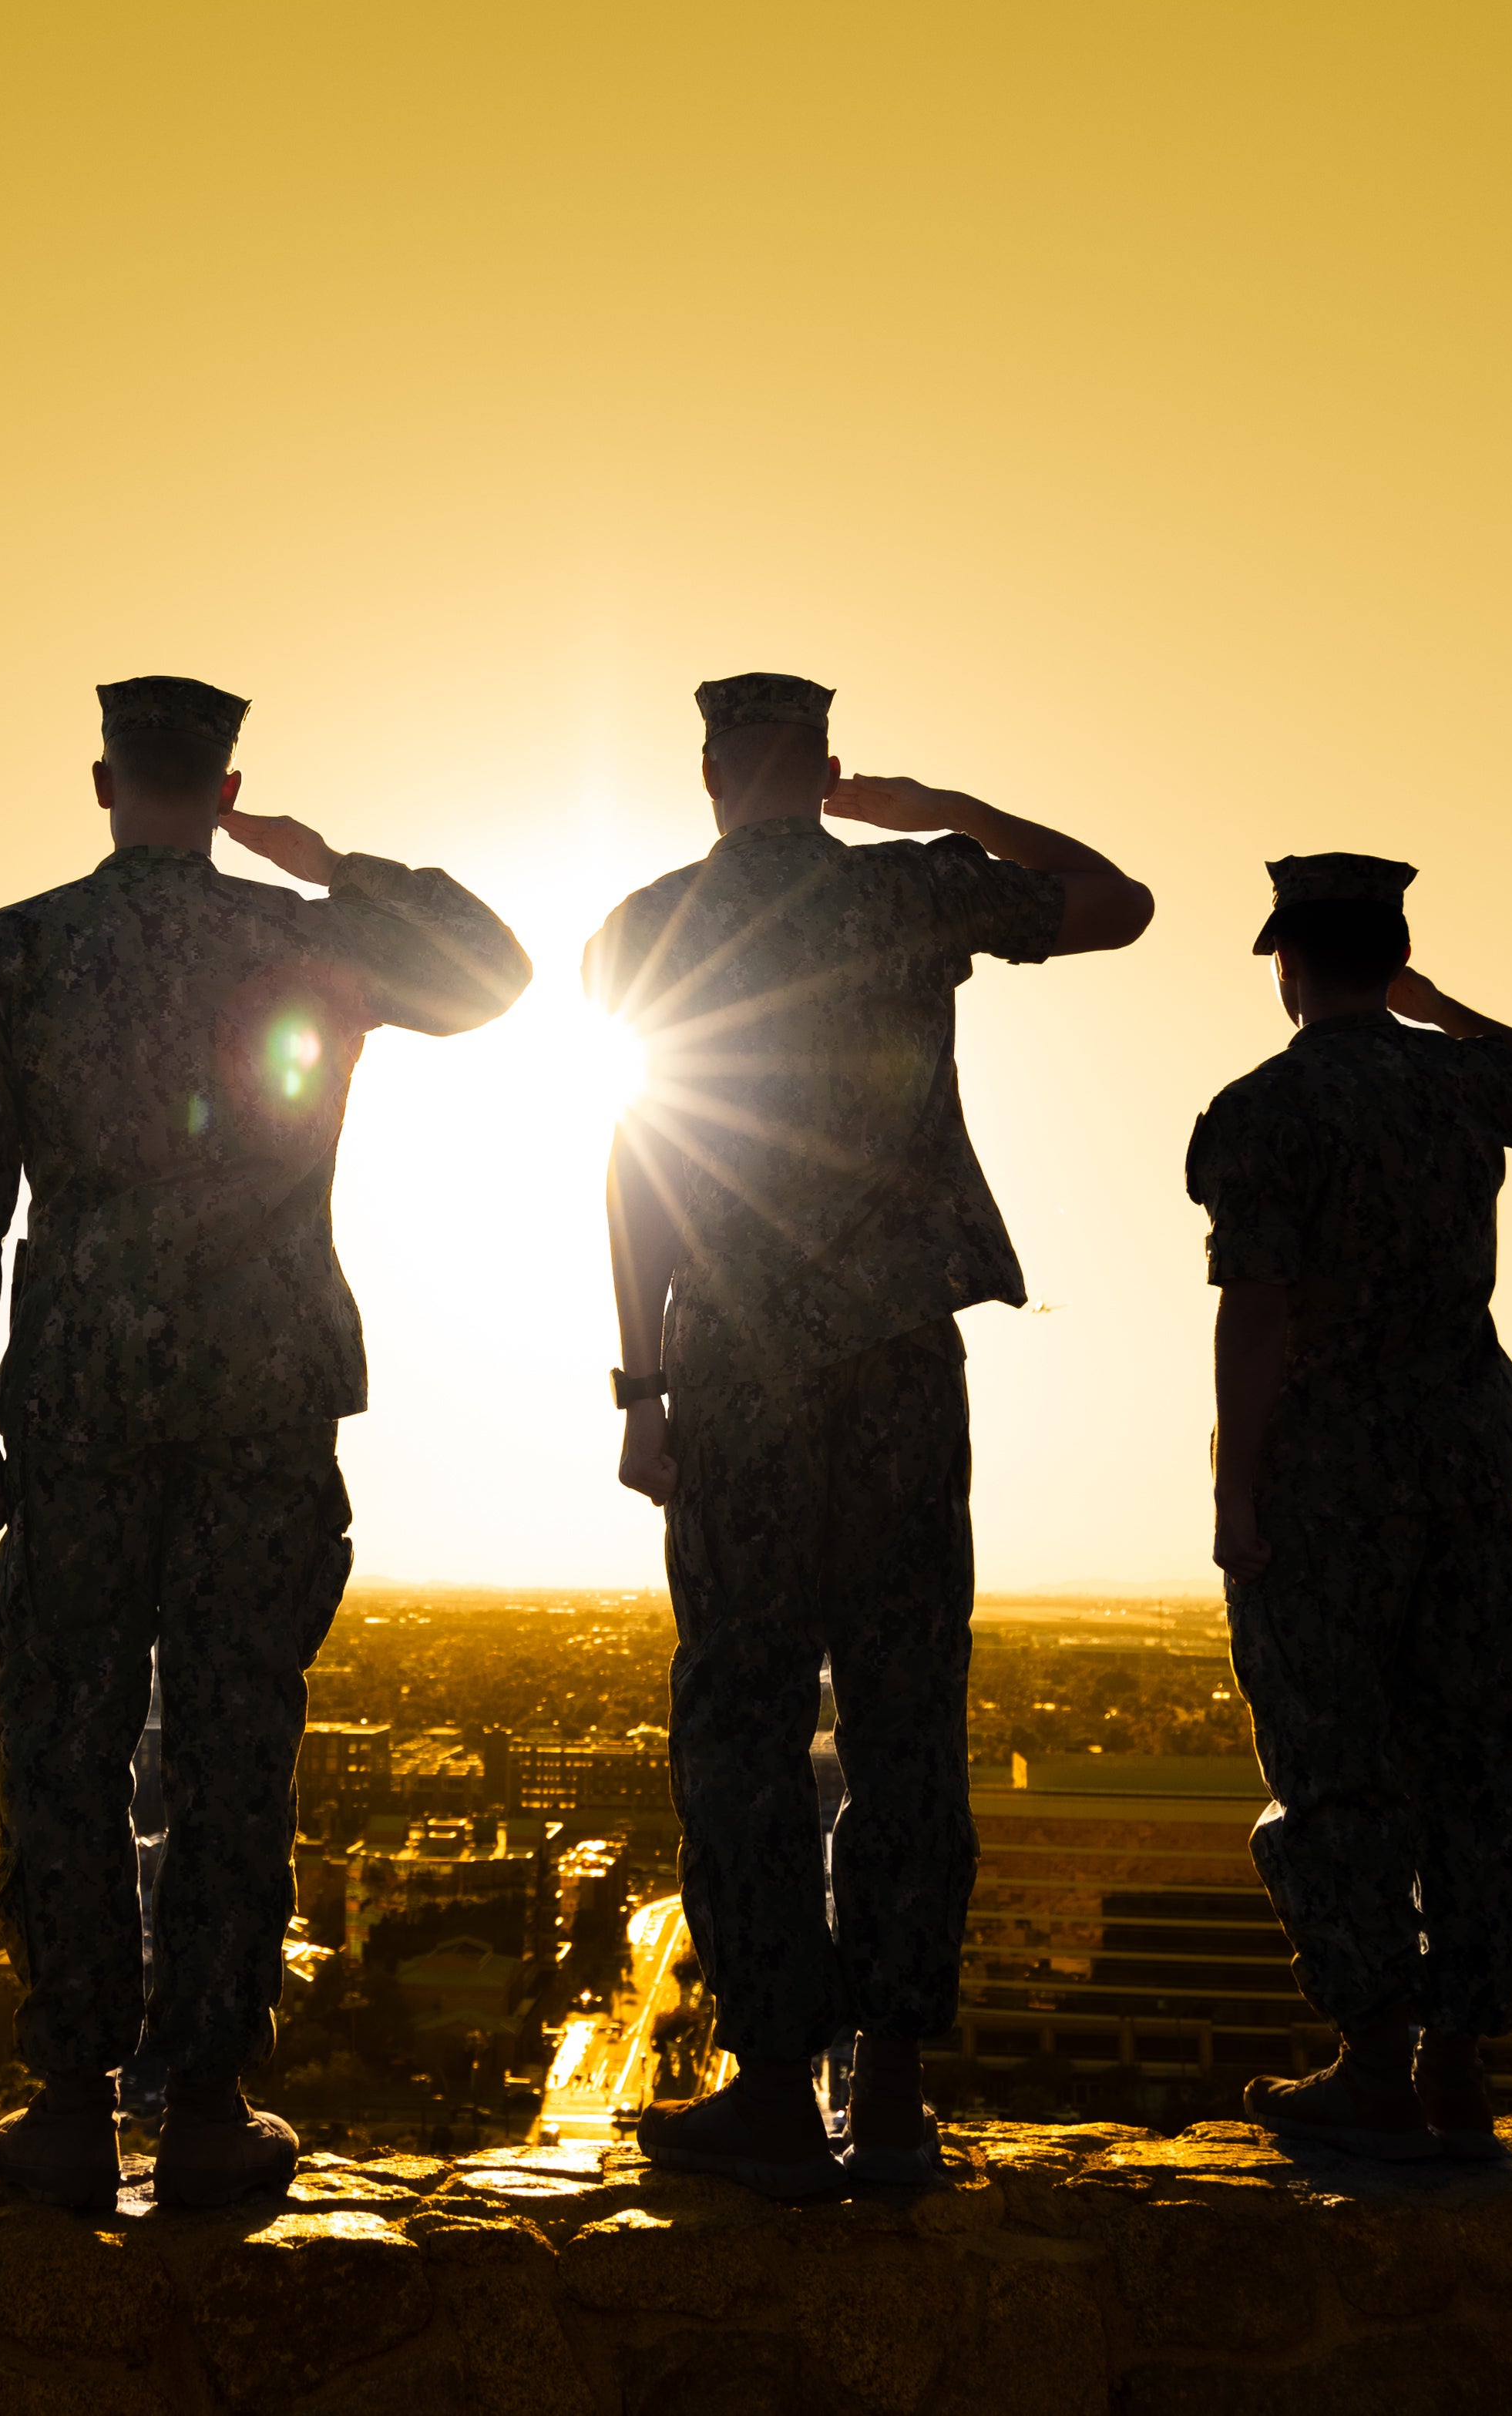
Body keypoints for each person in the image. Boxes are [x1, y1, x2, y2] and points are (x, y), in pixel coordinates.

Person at [0, 675, 529, 2209]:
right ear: (225, 781)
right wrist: (326, 863)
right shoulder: (305, 937)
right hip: (262, 1389)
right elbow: (495, 974)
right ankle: (210, 2098)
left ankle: (68, 2098)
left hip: (78, 1392)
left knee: (67, 1742)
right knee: (237, 1743)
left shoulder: (12, 953)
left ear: (104, 779)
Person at [590, 672, 1154, 2199]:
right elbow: (1118, 903)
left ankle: (776, 2083)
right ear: (827, 770)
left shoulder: (641, 930)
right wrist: (949, 814)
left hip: (738, 1367)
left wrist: (641, 1389)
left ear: (710, 767)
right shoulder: (913, 891)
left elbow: (640, 1157)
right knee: (906, 1712)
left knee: (743, 1717)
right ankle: (893, 2092)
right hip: (898, 1357)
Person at [1188, 852, 1512, 2162]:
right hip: (1464, 1472)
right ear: (1395, 963)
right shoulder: (1458, 1084)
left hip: (1323, 1481)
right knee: (1471, 1761)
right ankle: (1461, 2056)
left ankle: (1373, 2053)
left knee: (1332, 1769)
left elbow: (1253, 1313)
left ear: (1288, 968)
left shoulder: (1262, 1110)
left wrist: (1235, 1492)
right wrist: (1443, 1015)